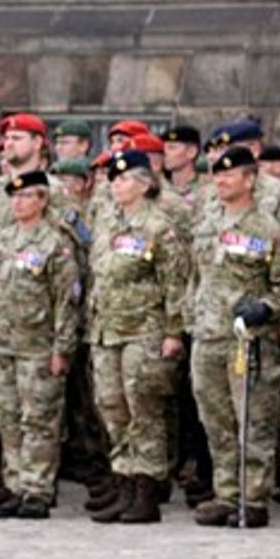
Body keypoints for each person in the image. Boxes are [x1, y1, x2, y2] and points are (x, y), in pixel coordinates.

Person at [189, 144, 280, 528]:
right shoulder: (207, 222)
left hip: (247, 341)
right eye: (217, 174)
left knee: (253, 420)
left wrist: (265, 309)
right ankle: (226, 493)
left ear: (250, 180)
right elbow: (195, 276)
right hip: (207, 334)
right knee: (215, 419)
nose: (221, 180)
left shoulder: (268, 229)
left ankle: (253, 497)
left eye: (230, 174)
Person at [86, 150, 190, 525]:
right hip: (107, 329)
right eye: (113, 179)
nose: (116, 184)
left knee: (144, 409)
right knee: (112, 406)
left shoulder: (159, 227)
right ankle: (124, 481)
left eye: (125, 178)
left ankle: (147, 487)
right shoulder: (107, 224)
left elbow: (175, 282)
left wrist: (173, 331)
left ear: (145, 184)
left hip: (145, 330)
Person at [0, 170, 83, 518]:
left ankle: (38, 488)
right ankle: (15, 484)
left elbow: (66, 300)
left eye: (26, 197)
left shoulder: (55, 244)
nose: (18, 203)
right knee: (6, 418)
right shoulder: (0, 241)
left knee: (38, 420)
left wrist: (61, 348)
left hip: (38, 346)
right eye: (15, 197)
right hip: (2, 344)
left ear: (42, 201)